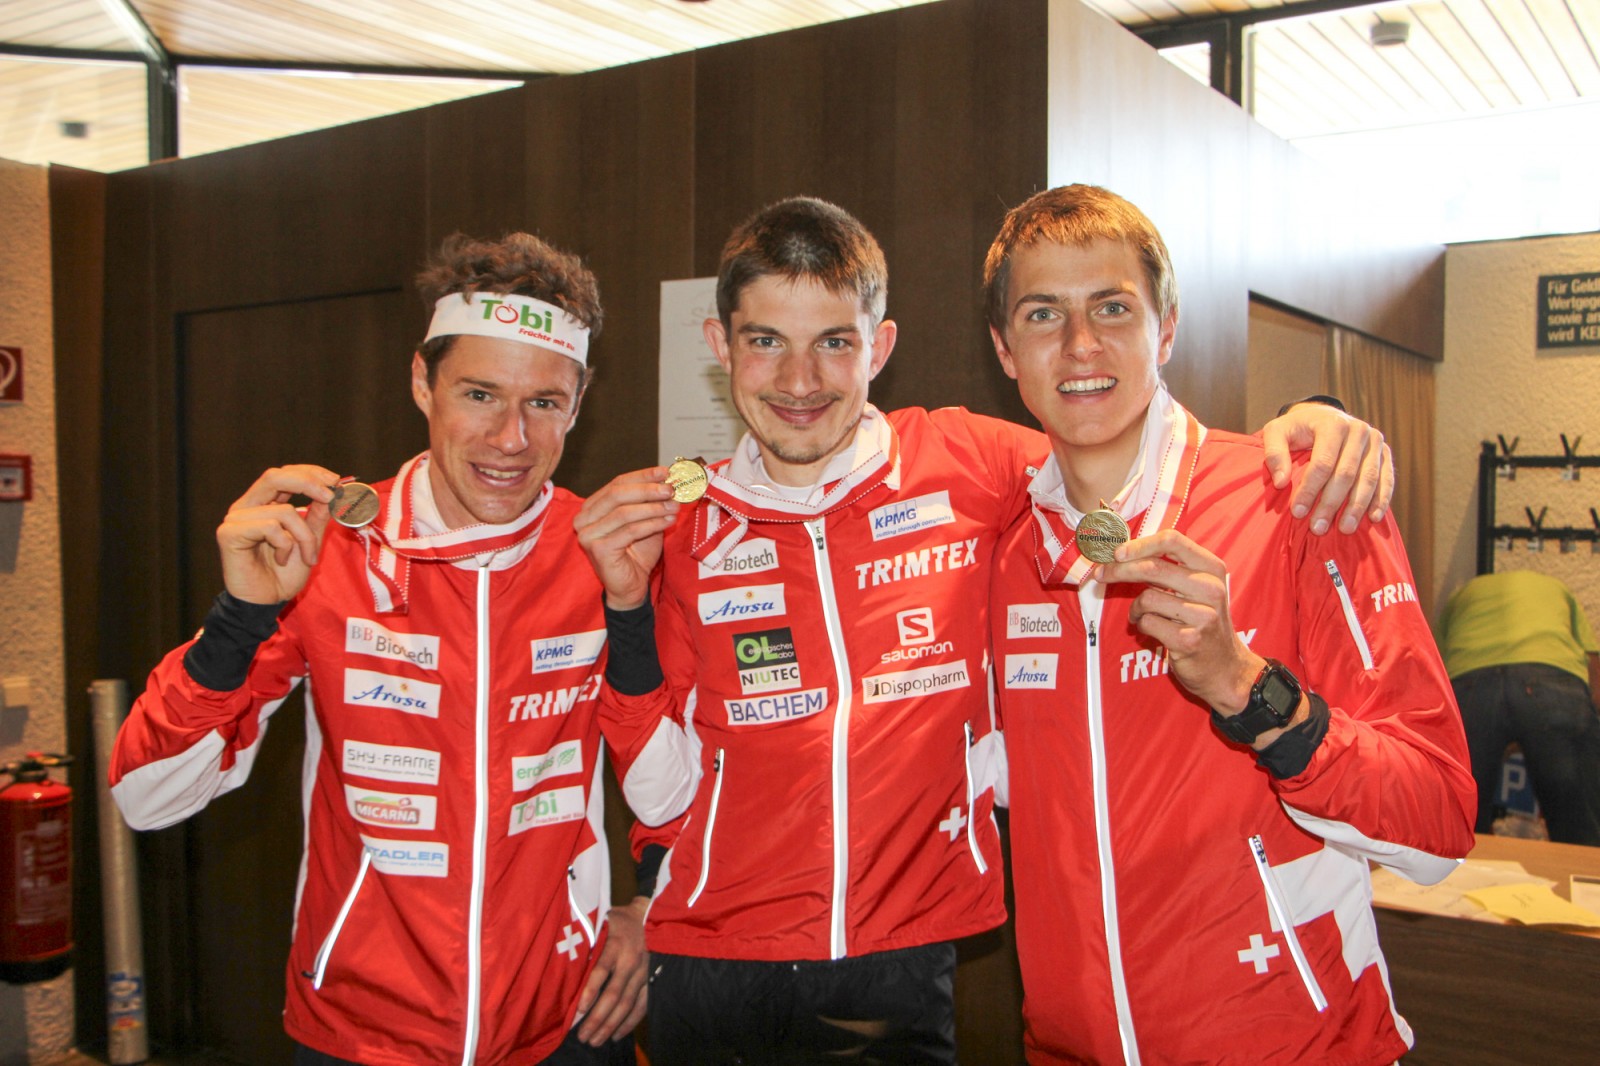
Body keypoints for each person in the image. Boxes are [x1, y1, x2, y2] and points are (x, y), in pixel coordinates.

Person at [576, 196, 1396, 1065]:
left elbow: (1115, 447)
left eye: (835, 342)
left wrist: (1307, 424)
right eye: (766, 341)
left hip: (899, 961)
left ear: (880, 347)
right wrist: (626, 613)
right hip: (711, 965)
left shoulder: (966, 462)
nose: (800, 380)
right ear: (721, 345)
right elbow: (660, 797)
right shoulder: (684, 523)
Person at [109, 233, 648, 1066]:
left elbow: (696, 753)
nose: (511, 437)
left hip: (562, 1025)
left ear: (578, 404)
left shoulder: (605, 554)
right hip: (363, 1034)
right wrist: (240, 618)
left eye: (544, 401)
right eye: (479, 393)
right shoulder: (329, 552)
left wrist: (650, 908)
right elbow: (148, 797)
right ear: (421, 383)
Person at [983, 184, 1476, 1064]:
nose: (1081, 343)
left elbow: (1436, 824)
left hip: (1295, 1046)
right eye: (1043, 314)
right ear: (1004, 349)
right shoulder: (1002, 551)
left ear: (1167, 328)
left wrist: (1247, 688)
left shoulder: (1302, 500)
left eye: (1113, 308)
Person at [1439, 569, 1600, 844]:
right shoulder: (1556, 587)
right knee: (1580, 823)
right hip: (1550, 675)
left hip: (1470, 679)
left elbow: (1434, 666)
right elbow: (1594, 662)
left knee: (1458, 826)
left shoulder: (1460, 596)